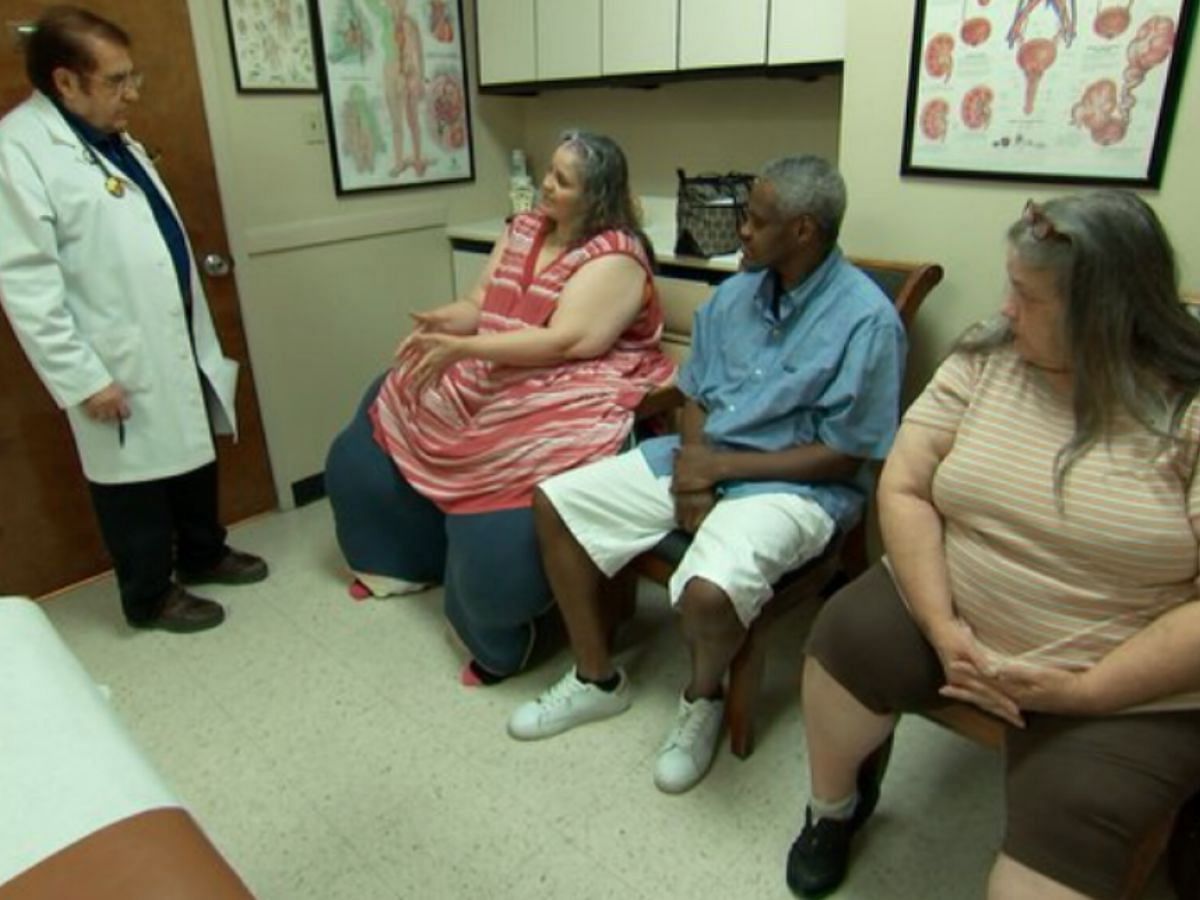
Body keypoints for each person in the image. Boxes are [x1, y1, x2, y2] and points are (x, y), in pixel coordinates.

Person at [785, 191, 1200, 900]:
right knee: (844, 638)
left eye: (1028, 295)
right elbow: (907, 486)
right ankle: (833, 808)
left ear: (1105, 313)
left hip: (1121, 677)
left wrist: (1086, 690)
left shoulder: (1186, 406)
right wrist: (945, 629)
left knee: (1043, 868)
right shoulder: (989, 353)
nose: (1007, 307)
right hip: (954, 607)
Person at [507, 156, 908, 795]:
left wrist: (718, 468)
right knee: (556, 502)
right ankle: (595, 678)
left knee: (709, 596)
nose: (741, 231)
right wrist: (694, 471)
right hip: (705, 459)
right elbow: (694, 392)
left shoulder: (866, 322)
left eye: (755, 220)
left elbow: (845, 455)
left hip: (793, 486)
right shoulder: (737, 293)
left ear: (803, 231)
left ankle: (703, 698)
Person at [325, 130, 675, 686]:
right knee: (386, 408)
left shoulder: (617, 259)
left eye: (563, 179)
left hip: (568, 382)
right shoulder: (525, 231)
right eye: (549, 171)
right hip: (500, 365)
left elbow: (567, 342)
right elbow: (481, 305)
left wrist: (466, 349)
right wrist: (447, 325)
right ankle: (398, 561)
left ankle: (495, 631)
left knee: (502, 499)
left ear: (596, 197)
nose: (546, 184)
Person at [0, 7, 268, 634]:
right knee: (131, 479)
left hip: (168, 333)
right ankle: (148, 596)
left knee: (191, 447)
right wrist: (82, 378)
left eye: (132, 77)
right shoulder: (19, 150)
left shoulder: (113, 140)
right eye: (117, 80)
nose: (133, 93)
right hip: (107, 350)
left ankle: (202, 553)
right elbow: (25, 282)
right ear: (66, 82)